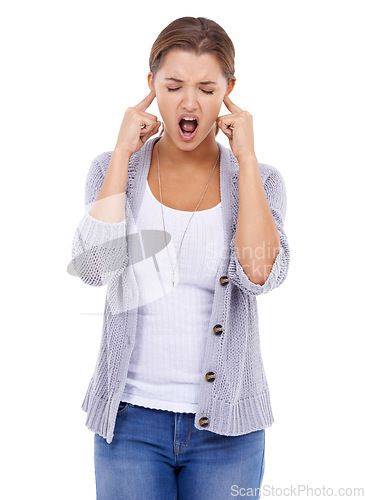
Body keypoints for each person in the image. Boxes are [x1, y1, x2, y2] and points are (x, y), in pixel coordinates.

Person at [71, 16, 290, 500]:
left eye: (207, 89)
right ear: (150, 86)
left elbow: (259, 274)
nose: (189, 103)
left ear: (229, 93)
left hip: (228, 428)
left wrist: (247, 159)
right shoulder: (114, 171)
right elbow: (92, 268)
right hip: (129, 423)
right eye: (173, 86)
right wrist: (124, 151)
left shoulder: (260, 181)